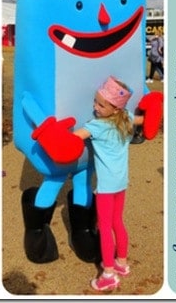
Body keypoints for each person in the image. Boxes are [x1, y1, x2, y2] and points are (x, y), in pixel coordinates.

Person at [72, 76, 145, 291]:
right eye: (95, 101)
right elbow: (141, 120)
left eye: (100, 104)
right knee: (117, 222)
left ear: (114, 108)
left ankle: (109, 274)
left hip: (105, 188)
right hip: (121, 183)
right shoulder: (125, 117)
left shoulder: (96, 126)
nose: (95, 107)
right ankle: (122, 263)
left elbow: (75, 138)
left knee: (104, 227)